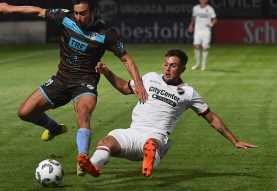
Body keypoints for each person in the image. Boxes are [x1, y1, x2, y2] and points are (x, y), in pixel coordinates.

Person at [0, 0, 148, 176]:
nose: (79, 17)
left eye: (83, 13)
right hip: (61, 79)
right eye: (76, 13)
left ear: (94, 11)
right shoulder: (66, 18)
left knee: (83, 115)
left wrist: (138, 82)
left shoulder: (106, 33)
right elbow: (38, 11)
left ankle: (82, 160)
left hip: (85, 83)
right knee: (24, 113)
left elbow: (126, 59)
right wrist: (10, 8)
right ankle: (54, 128)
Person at [77, 48, 258, 178]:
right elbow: (125, 88)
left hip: (156, 135)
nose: (167, 69)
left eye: (172, 66)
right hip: (133, 131)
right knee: (106, 142)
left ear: (182, 69)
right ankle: (92, 166)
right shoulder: (149, 78)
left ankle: (149, 161)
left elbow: (211, 118)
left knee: (152, 145)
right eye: (165, 64)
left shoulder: (188, 93)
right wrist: (106, 71)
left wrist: (234, 140)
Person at [188, 0, 218, 71]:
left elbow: (215, 20)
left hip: (206, 31)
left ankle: (203, 65)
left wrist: (211, 24)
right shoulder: (196, 8)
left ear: (207, 0)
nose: (202, 0)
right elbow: (193, 18)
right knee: (196, 46)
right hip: (198, 30)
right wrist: (191, 25)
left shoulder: (210, 9)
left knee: (205, 48)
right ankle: (197, 63)